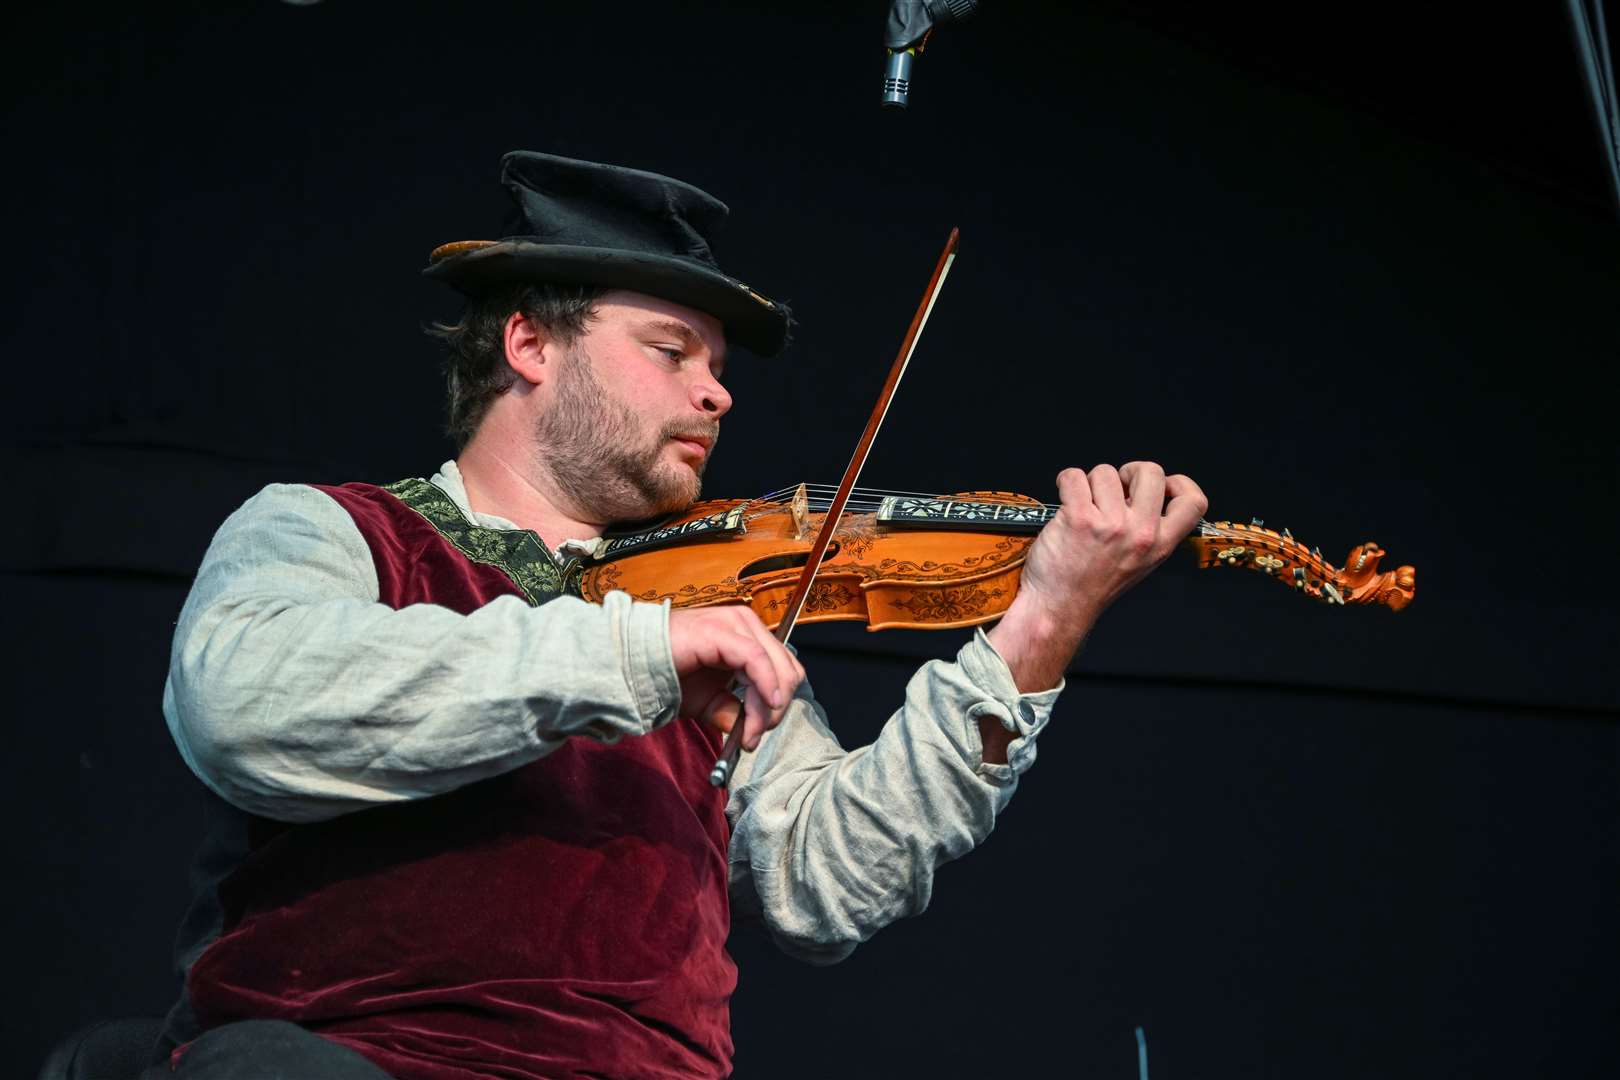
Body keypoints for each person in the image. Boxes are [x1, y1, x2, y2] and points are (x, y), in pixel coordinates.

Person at [149, 151, 1207, 1079]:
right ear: (529, 343)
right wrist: (635, 653)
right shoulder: (334, 532)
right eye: (672, 351)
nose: (717, 395)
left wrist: (1042, 623)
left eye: (719, 368)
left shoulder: (698, 608)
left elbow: (823, 879)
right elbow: (245, 701)